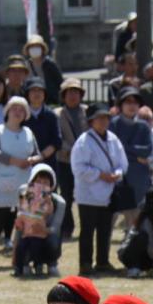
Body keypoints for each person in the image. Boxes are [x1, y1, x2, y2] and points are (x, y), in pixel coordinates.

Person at [71, 103, 127, 275]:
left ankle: (103, 261)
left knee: (105, 229)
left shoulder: (113, 139)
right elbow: (79, 168)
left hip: (109, 192)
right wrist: (100, 175)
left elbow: (122, 163)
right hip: (88, 193)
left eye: (106, 118)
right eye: (99, 118)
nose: (103, 121)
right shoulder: (83, 142)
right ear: (91, 121)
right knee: (87, 230)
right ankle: (85, 263)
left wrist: (117, 174)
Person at [0, 95, 40, 256]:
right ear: (7, 111)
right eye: (14, 108)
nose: (18, 112)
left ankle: (23, 255)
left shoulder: (28, 132)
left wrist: (31, 160)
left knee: (27, 219)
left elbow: (37, 153)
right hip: (3, 181)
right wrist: (14, 161)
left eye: (22, 110)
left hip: (25, 179)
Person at [109, 87, 151, 231]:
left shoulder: (144, 126)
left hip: (139, 176)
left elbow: (147, 151)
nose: (132, 105)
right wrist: (134, 152)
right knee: (110, 218)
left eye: (135, 102)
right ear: (120, 105)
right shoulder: (113, 124)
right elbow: (113, 149)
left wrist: (126, 148)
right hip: (118, 175)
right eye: (128, 102)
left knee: (136, 220)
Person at [13, 163, 64, 277]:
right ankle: (21, 265)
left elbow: (55, 227)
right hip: (27, 232)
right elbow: (21, 213)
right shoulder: (25, 194)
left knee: (51, 241)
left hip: (43, 233)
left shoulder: (57, 202)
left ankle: (50, 264)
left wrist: (44, 229)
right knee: (21, 243)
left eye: (46, 183)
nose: (41, 185)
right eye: (38, 181)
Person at [55, 77, 86, 238]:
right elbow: (57, 138)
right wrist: (73, 149)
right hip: (65, 160)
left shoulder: (87, 112)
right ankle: (67, 226)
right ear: (64, 95)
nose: (73, 95)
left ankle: (86, 226)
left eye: (76, 92)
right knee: (66, 194)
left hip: (85, 162)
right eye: (69, 92)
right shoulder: (58, 114)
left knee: (84, 194)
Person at [24, 78, 62, 171]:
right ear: (27, 94)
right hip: (24, 163)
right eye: (33, 90)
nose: (37, 93)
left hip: (48, 163)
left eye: (40, 90)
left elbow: (56, 141)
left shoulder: (51, 115)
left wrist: (40, 156)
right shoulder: (22, 114)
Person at [24, 35, 63, 104]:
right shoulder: (26, 65)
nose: (34, 49)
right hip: (31, 101)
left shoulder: (50, 64)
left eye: (37, 47)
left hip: (49, 100)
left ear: (42, 49)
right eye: (32, 47)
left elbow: (60, 82)